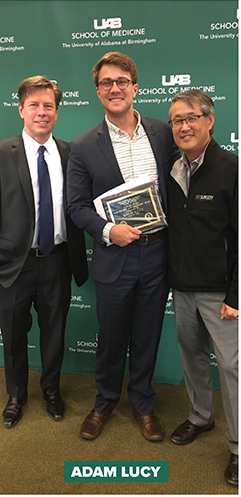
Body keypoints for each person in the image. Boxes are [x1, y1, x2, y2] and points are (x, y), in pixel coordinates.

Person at [66, 52, 177, 442]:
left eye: (122, 81)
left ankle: (144, 404)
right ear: (97, 91)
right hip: (114, 255)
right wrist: (109, 230)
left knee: (147, 332)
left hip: (158, 252)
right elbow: (76, 207)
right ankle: (104, 402)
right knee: (111, 336)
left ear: (134, 86)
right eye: (106, 83)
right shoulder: (82, 147)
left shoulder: (164, 133)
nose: (115, 88)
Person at [0, 76, 88, 428]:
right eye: (34, 105)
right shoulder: (0, 153)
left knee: (54, 331)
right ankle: (16, 394)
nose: (41, 112)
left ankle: (51, 389)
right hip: (13, 264)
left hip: (57, 261)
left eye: (48, 105)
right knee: (14, 334)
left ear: (57, 112)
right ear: (20, 109)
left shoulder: (71, 153)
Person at [164, 89, 238, 485]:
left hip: (222, 294)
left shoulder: (232, 169)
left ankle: (239, 448)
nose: (184, 126)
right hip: (183, 287)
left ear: (209, 121)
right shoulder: (174, 169)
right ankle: (200, 417)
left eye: (191, 117)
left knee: (232, 367)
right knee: (192, 356)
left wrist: (236, 296)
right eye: (177, 120)